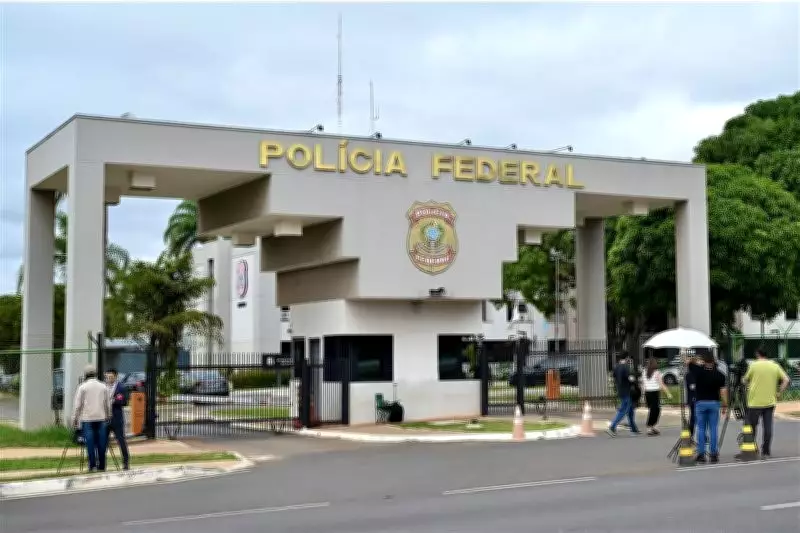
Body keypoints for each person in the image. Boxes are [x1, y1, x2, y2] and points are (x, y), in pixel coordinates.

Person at [742, 348, 790, 460]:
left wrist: (746, 384)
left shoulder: (753, 365)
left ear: (757, 354)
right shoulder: (775, 366)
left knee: (752, 426)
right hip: (769, 401)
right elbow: (786, 380)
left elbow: (745, 380)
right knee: (768, 427)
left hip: (754, 402)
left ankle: (752, 447)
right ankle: (766, 450)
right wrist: (779, 392)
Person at [687, 353, 727, 463]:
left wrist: (696, 358)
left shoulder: (698, 371)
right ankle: (713, 454)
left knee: (701, 429)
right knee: (713, 429)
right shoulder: (720, 375)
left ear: (704, 361)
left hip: (700, 403)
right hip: (714, 403)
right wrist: (725, 404)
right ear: (714, 361)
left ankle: (701, 454)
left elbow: (689, 362)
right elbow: (723, 391)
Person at [71, 364, 111, 472]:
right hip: (101, 418)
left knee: (90, 442)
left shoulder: (82, 387)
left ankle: (92, 465)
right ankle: (102, 465)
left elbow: (77, 405)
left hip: (87, 418)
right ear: (95, 374)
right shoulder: (103, 386)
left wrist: (75, 419)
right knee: (102, 442)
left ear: (85, 375)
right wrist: (108, 415)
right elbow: (107, 404)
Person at [606, 352, 640, 437]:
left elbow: (614, 377)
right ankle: (612, 427)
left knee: (630, 410)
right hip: (627, 391)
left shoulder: (616, 367)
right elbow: (630, 378)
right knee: (623, 410)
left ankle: (634, 429)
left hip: (620, 390)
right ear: (627, 358)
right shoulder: (626, 367)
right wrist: (635, 381)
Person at [105, 368, 130, 470]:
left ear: (115, 376)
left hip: (117, 418)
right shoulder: (104, 387)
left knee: (121, 440)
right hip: (106, 418)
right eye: (107, 377)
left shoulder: (121, 387)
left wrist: (114, 401)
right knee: (103, 441)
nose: (109, 379)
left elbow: (124, 402)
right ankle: (101, 463)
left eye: (111, 377)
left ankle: (125, 462)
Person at [642, 357, 673, 435]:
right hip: (654, 392)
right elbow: (661, 384)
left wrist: (643, 394)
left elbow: (643, 384)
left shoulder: (644, 372)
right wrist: (668, 393)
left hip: (647, 393)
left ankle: (653, 426)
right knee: (655, 410)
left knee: (654, 410)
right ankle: (650, 426)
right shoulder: (657, 373)